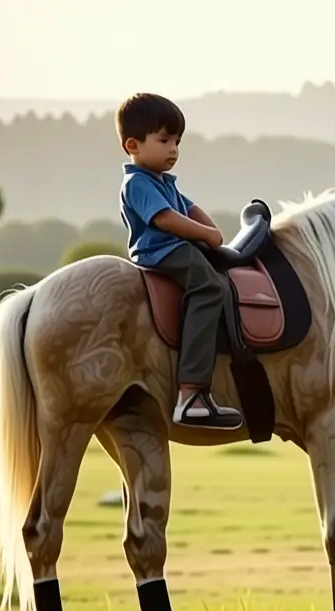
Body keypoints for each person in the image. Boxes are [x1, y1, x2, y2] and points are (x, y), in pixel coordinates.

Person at [116, 92, 242, 430]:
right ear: (133, 145)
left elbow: (189, 208)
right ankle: (191, 393)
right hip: (162, 249)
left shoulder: (162, 181)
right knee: (209, 288)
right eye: (164, 139)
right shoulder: (138, 183)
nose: (173, 149)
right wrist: (205, 234)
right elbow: (167, 220)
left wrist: (212, 231)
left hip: (176, 245)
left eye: (177, 141)